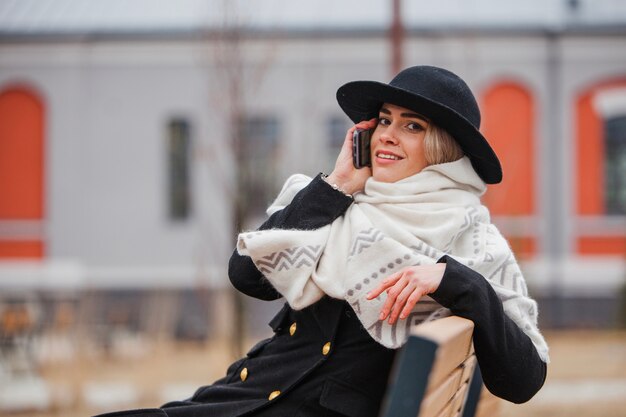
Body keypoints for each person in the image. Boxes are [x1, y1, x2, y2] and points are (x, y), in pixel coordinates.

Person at [95, 65, 548, 417]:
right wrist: (335, 186)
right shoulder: (339, 203)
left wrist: (455, 281)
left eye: (412, 126)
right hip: (241, 399)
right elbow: (246, 276)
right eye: (385, 120)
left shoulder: (471, 241)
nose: (388, 135)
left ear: (444, 148)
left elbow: (522, 379)